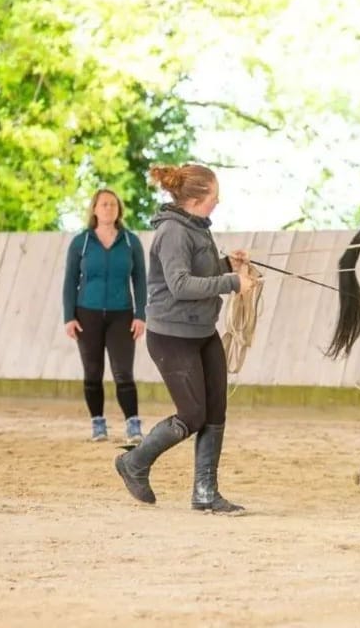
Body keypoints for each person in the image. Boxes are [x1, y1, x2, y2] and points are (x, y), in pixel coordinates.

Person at [114, 163, 257, 514]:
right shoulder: (174, 233)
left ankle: (206, 492)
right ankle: (134, 463)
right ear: (195, 198)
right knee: (192, 415)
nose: (217, 203)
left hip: (201, 331)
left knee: (215, 410)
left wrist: (226, 264)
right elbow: (180, 285)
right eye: (214, 197)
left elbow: (196, 272)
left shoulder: (196, 227)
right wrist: (232, 284)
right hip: (172, 337)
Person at [63, 188, 147, 444]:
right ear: (95, 209)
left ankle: (133, 424)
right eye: (103, 204)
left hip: (122, 315)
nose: (108, 208)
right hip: (86, 314)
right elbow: (70, 281)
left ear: (119, 209)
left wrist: (140, 314)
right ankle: (98, 424)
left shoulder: (131, 242)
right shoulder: (82, 242)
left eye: (113, 204)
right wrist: (69, 316)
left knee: (123, 372)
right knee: (93, 371)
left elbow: (140, 279)